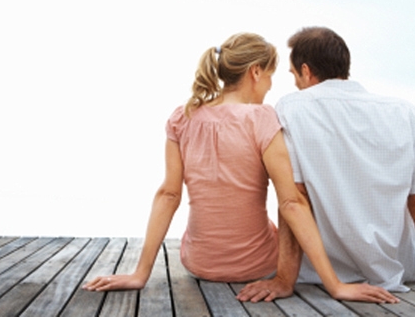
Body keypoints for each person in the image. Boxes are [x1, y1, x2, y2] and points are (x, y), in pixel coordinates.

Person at [83, 32, 397, 303]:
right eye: (272, 75)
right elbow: (290, 202)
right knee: (297, 205)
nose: (271, 86)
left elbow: (168, 194)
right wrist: (336, 285)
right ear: (255, 72)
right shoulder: (262, 118)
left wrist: (140, 274)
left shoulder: (182, 117)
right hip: (259, 265)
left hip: (198, 264)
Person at [237, 27, 415, 311]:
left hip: (317, 281)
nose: (296, 83)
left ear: (306, 71)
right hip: (392, 282)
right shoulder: (404, 112)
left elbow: (295, 199)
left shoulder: (290, 109)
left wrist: (285, 279)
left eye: (294, 74)